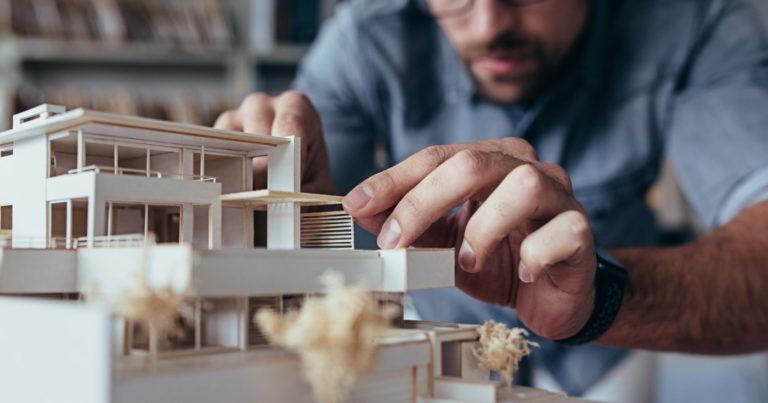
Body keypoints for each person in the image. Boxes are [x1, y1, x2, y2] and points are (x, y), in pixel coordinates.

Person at [214, 0, 768, 398]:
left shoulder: (696, 20)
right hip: (434, 345)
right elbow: (316, 207)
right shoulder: (366, 32)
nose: (488, 25)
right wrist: (279, 202)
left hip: (617, 351)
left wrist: (597, 297)